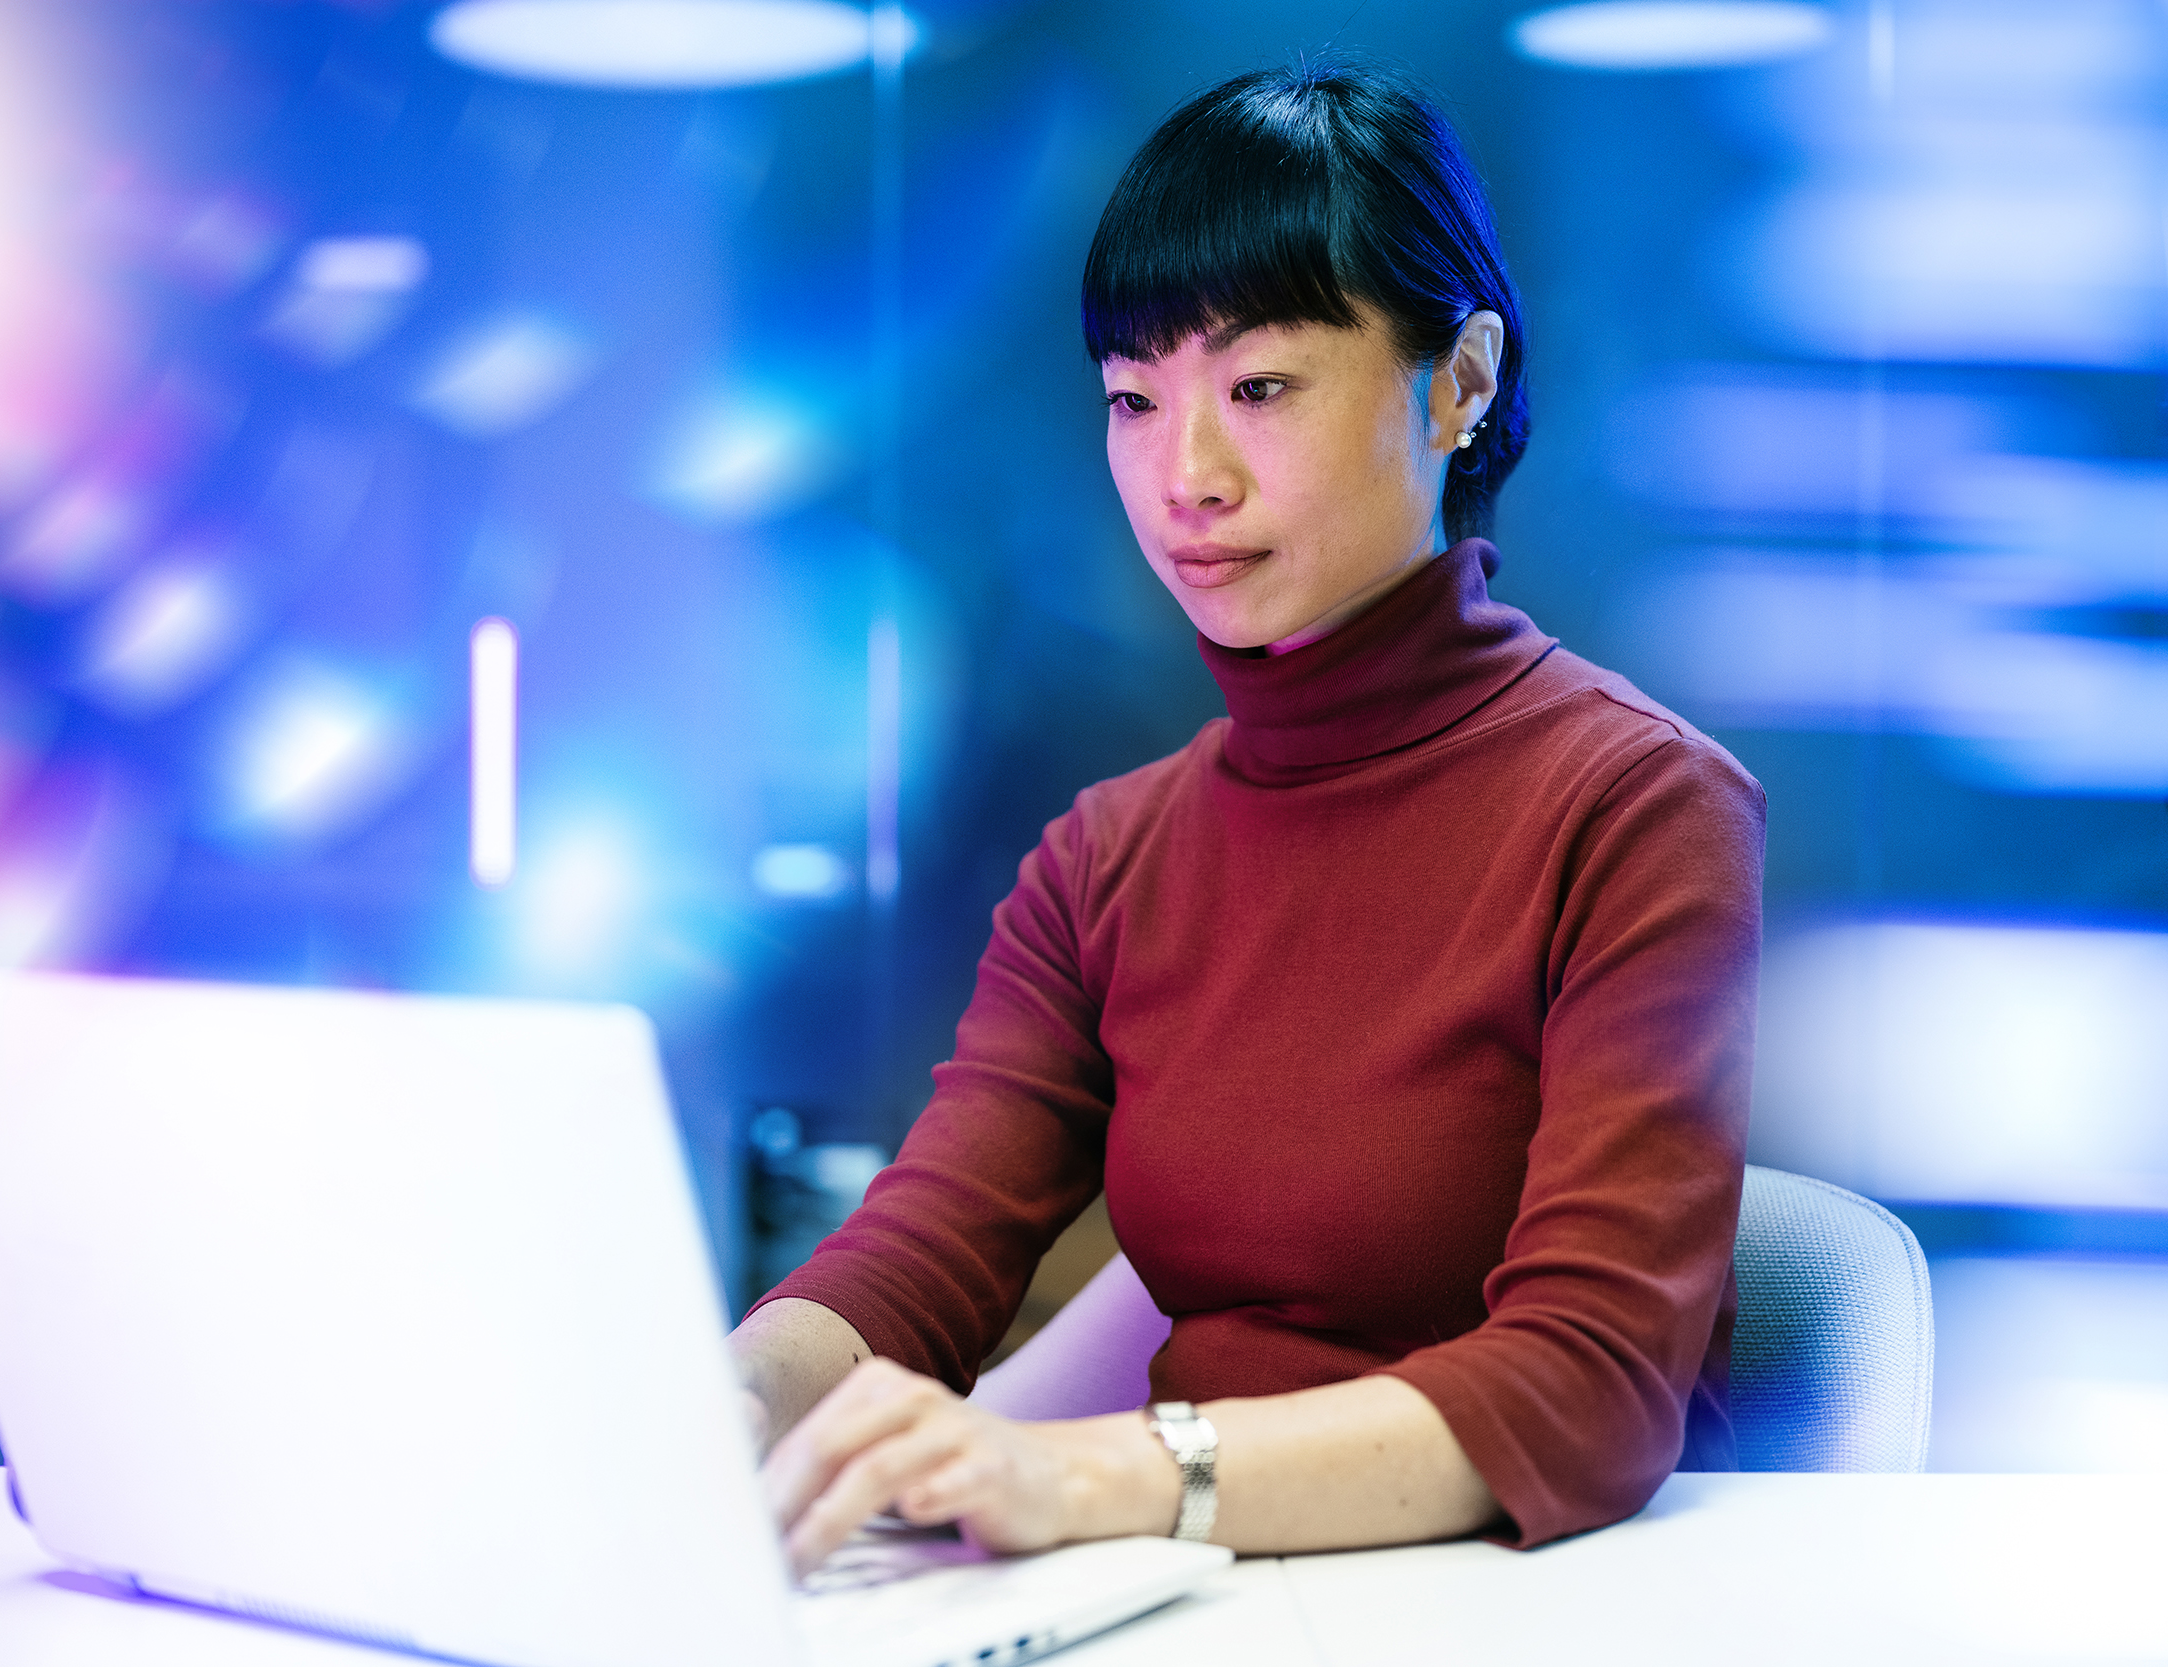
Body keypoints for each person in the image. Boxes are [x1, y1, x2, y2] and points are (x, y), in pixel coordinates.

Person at [730, 61, 1764, 1574]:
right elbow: (920, 1258)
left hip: (1535, 1608)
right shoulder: (1108, 857)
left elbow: (1590, 1384)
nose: (1184, 477)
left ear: (1460, 384)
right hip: (1199, 1601)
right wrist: (707, 1415)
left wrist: (1103, 1478)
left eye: (1260, 388)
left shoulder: (1636, 808)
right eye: (1134, 401)